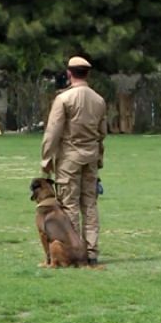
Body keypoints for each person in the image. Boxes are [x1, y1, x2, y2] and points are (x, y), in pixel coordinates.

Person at [41, 56, 107, 265]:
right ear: (87, 74)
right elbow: (102, 132)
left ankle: (73, 251)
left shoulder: (64, 99)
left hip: (69, 158)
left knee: (69, 205)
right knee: (90, 205)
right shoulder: (99, 100)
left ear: (69, 73)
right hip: (91, 156)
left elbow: (53, 132)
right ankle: (92, 252)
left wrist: (46, 160)